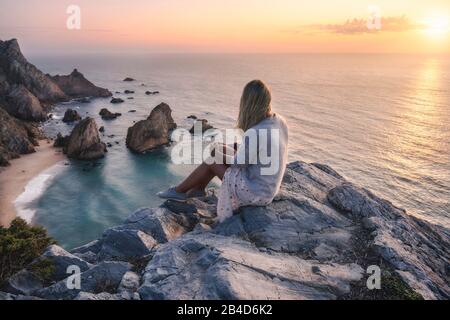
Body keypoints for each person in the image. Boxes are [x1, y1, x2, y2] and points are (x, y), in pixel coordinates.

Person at [158, 80, 288, 221]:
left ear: (248, 103)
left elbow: (239, 163)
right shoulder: (279, 121)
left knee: (212, 159)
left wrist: (218, 154)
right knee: (217, 150)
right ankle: (198, 190)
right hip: (268, 187)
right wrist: (226, 148)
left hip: (256, 194)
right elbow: (259, 150)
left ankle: (179, 191)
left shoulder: (257, 131)